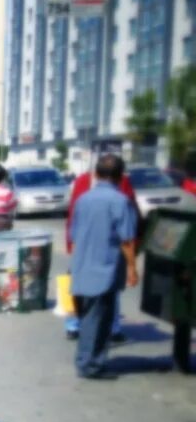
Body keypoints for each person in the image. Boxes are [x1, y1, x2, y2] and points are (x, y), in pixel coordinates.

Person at [70, 154, 138, 380]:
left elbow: (75, 235)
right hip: (105, 270)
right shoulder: (120, 201)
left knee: (88, 317)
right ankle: (91, 365)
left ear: (96, 174)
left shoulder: (83, 199)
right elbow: (127, 240)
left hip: (82, 267)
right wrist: (132, 268)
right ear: (120, 177)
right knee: (100, 320)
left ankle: (85, 360)